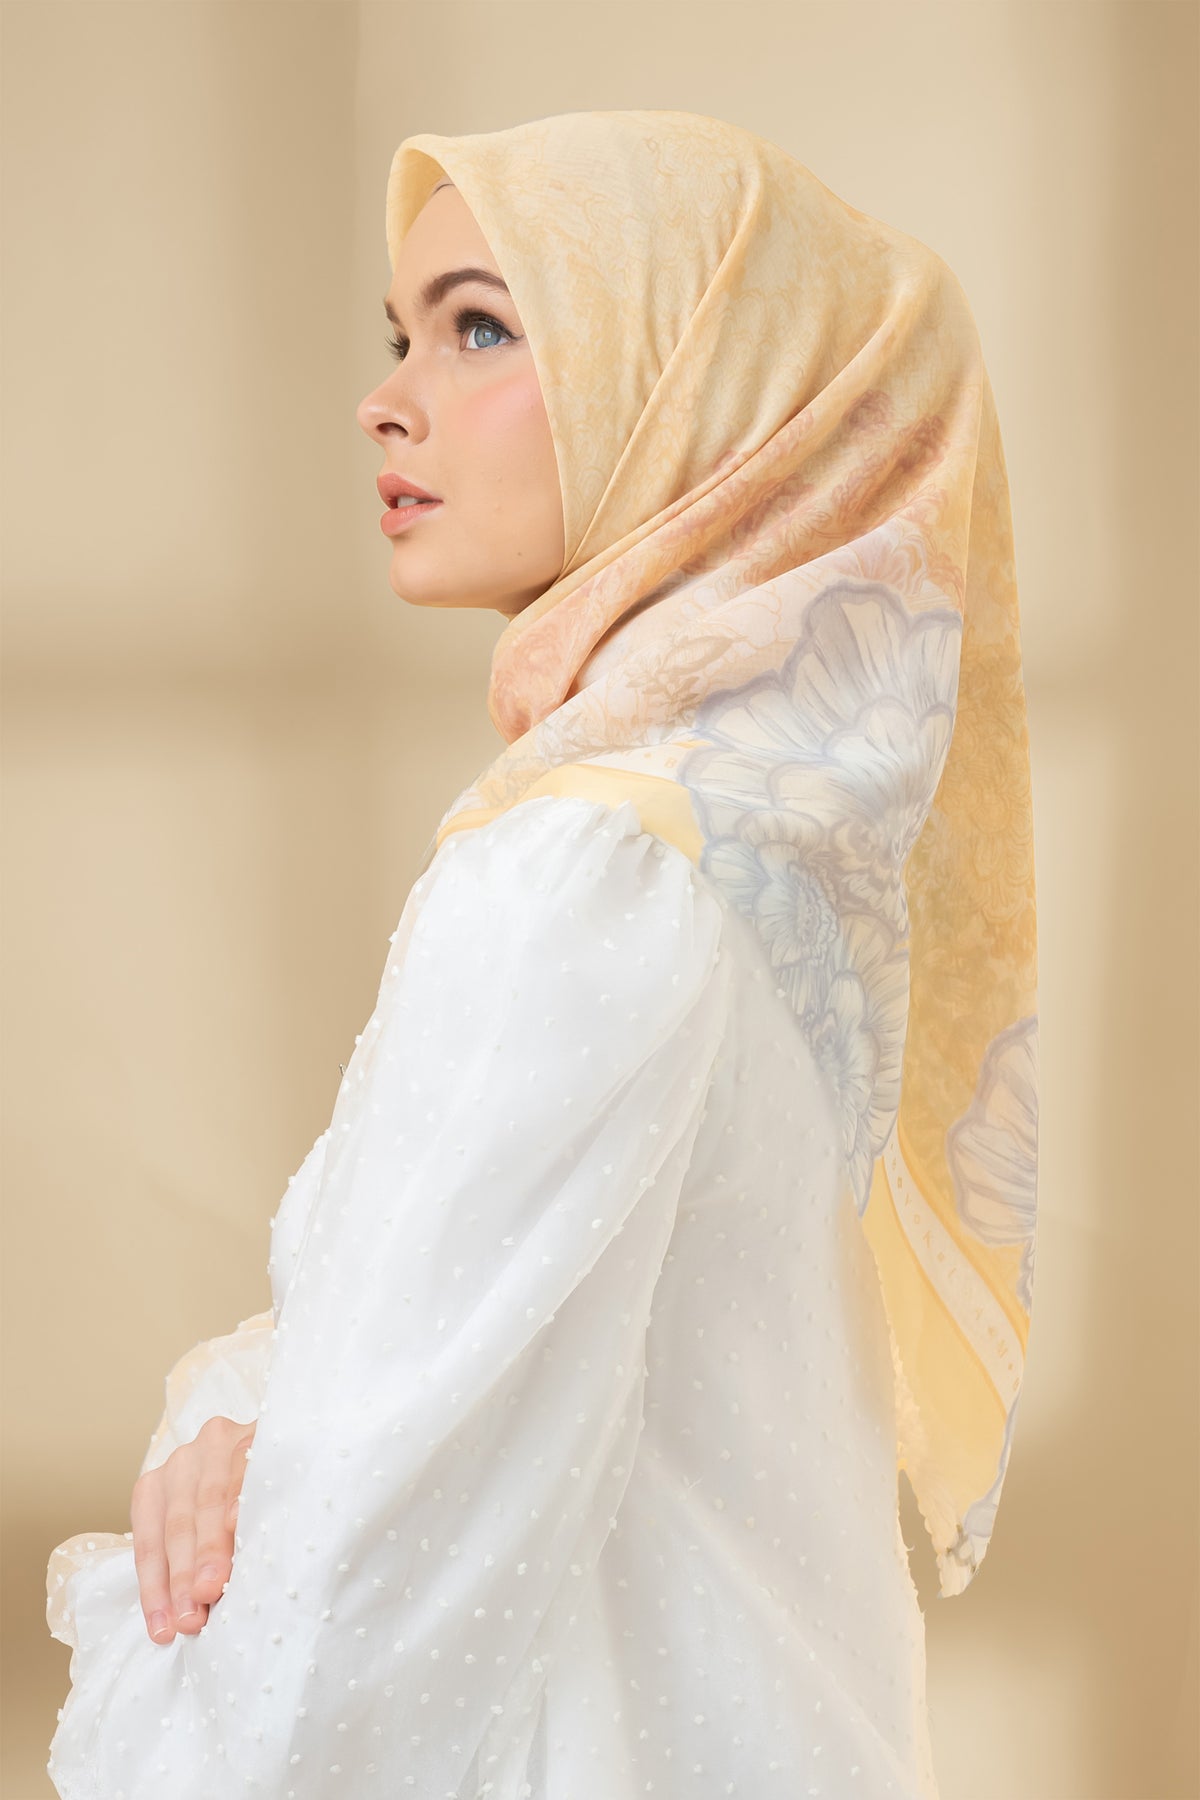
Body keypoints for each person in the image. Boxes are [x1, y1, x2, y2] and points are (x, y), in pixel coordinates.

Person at [45, 109, 1038, 1799]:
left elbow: (367, 1570)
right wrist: (250, 1422)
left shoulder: (594, 868)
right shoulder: (734, 841)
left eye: (484, 327)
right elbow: (417, 1368)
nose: (389, 399)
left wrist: (253, 1484)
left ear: (695, 395)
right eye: (399, 334)